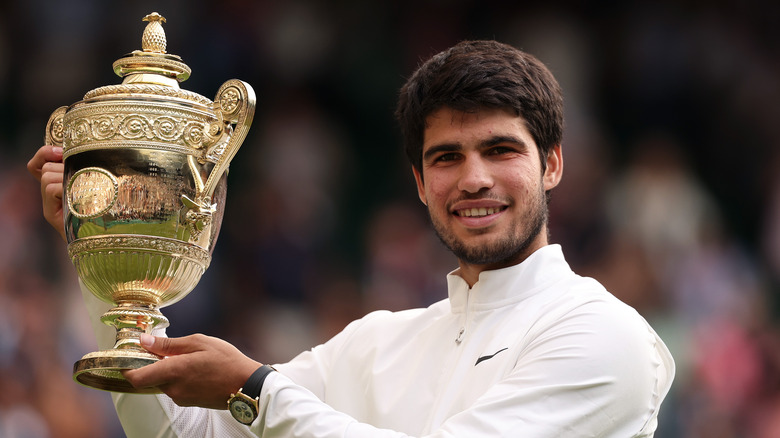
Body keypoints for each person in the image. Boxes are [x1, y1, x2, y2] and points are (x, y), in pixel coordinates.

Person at [28, 40, 674, 437]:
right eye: (447, 158)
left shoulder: (603, 335)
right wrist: (107, 257)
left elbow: (256, 402)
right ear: (420, 182)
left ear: (552, 164)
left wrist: (254, 390)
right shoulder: (377, 342)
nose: (474, 179)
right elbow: (186, 434)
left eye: (500, 150)